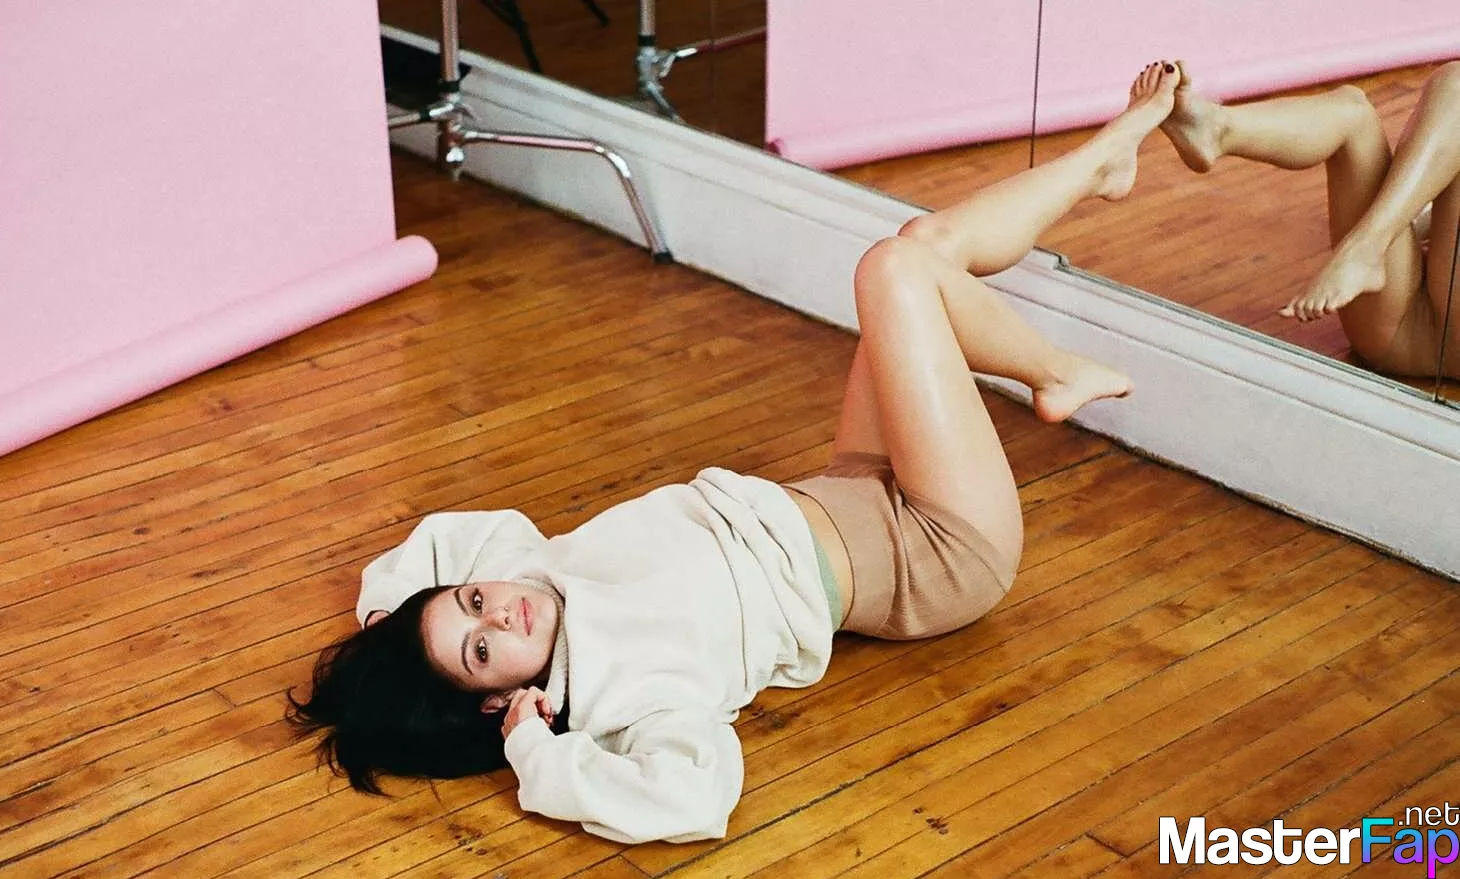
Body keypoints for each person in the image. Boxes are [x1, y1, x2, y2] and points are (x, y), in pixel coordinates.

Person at [285, 61, 1184, 844]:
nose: (500, 614)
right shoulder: (626, 696)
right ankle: (1051, 370)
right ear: (497, 698)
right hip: (936, 552)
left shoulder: (531, 568)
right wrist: (530, 748)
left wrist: (385, 617)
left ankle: (1107, 157)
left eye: (473, 601)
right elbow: (693, 799)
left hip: (850, 482)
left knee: (916, 247)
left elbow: (439, 542)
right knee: (895, 272)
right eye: (484, 649)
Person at [1156, 60, 1460, 378]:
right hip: (1399, 324)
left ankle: (1366, 249)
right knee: (1352, 112)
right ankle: (1216, 129)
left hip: (1433, 333)